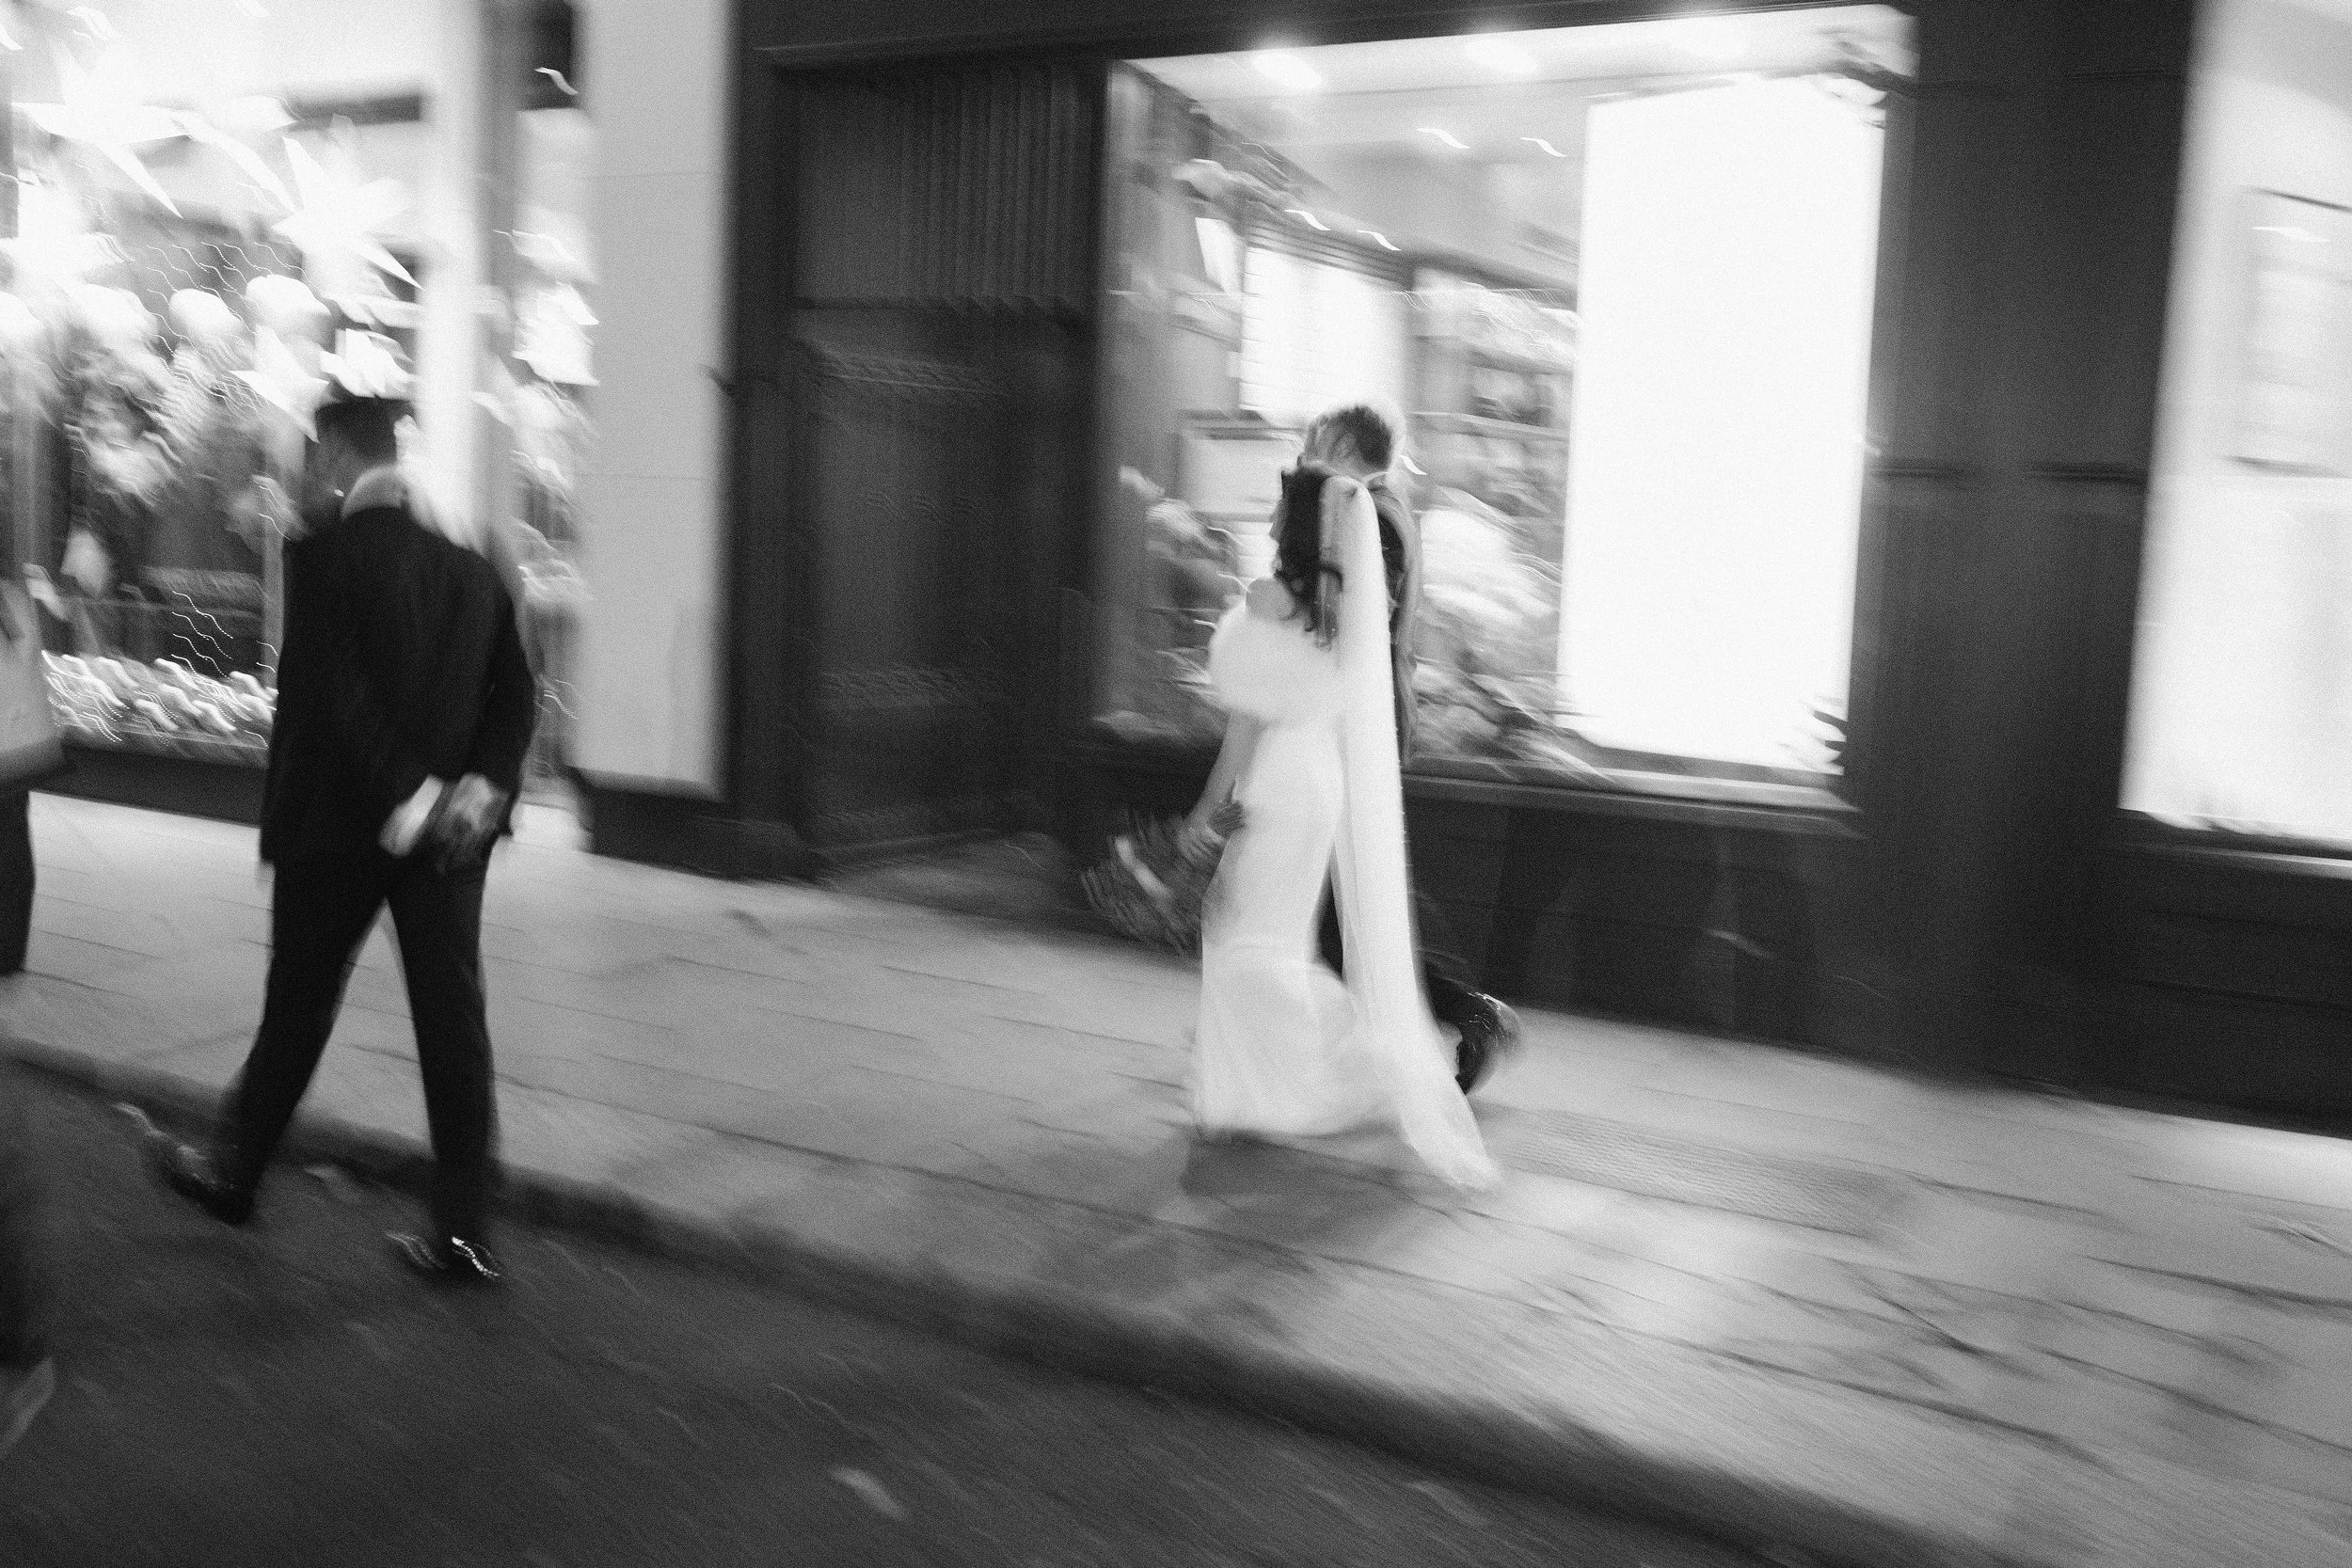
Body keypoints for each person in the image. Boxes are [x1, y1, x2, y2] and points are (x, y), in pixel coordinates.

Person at [142, 393, 538, 1285]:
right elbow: (518, 690)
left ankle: (233, 1172)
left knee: (297, 1010)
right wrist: (478, 786)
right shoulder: (476, 564)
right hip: (450, 842)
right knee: (453, 1026)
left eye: (311, 456)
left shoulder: (323, 561)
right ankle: (463, 1233)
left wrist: (412, 796)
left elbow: (336, 697)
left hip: (338, 832)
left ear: (333, 459)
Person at [1184, 458, 1499, 1190]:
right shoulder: (1344, 609)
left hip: (1276, 782)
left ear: (1294, 528)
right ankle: (1255, 1085)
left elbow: (1244, 725)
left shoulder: (1267, 603)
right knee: (1270, 937)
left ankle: (1316, 1075)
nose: (1264, 521)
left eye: (1274, 511)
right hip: (1316, 780)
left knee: (1243, 937)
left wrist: (1206, 811)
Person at [1288, 405, 1522, 1091]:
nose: (1306, 453)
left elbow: (1352, 626)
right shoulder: (1384, 510)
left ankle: (1465, 1010)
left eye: (1315, 442)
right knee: (1345, 896)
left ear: (1340, 444)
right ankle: (1421, 1021)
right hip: (1367, 714)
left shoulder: (1369, 512)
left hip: (1361, 719)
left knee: (1345, 901)